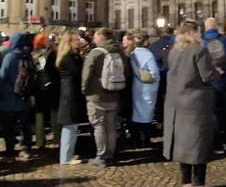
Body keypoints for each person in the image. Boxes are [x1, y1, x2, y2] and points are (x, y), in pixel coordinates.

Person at [163, 20, 219, 187]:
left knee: (182, 146)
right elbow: (207, 75)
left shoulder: (174, 52)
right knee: (198, 145)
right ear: (195, 33)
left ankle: (186, 186)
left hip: (176, 104)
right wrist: (218, 70)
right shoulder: (199, 50)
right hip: (195, 105)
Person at [82, 28, 129, 167]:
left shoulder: (95, 53)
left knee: (98, 126)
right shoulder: (119, 52)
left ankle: (101, 156)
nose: (94, 39)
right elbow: (126, 71)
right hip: (114, 94)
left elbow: (86, 75)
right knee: (111, 126)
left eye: (95, 36)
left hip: (96, 95)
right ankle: (111, 155)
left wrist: (85, 90)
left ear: (102, 37)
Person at [0, 32, 35, 162]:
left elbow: (2, 76)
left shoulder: (10, 56)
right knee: (25, 126)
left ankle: (10, 153)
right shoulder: (28, 56)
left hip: (9, 97)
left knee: (9, 127)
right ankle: (26, 149)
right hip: (24, 97)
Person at [201, 17, 226, 154]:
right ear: (216, 26)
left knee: (213, 114)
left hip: (210, 84)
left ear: (205, 27)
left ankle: (217, 144)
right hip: (225, 83)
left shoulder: (202, 42)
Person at [125, 31, 160, 148]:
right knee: (147, 114)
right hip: (148, 87)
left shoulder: (132, 54)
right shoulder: (148, 54)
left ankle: (136, 140)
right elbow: (154, 73)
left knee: (136, 113)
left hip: (136, 87)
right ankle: (145, 139)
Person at [55, 30, 85, 165]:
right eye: (76, 40)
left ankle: (69, 154)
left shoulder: (72, 56)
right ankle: (66, 157)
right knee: (69, 125)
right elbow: (79, 72)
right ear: (70, 42)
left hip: (71, 92)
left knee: (72, 125)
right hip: (70, 93)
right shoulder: (68, 58)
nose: (79, 41)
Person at [31, 33, 60, 151]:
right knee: (54, 112)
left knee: (39, 113)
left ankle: (39, 141)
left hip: (38, 87)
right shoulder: (51, 53)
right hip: (51, 85)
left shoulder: (33, 54)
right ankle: (57, 138)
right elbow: (55, 69)